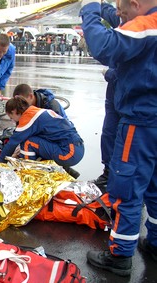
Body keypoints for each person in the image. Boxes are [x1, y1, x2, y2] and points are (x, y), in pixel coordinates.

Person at [80, 0, 157, 276]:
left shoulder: (147, 25)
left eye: (123, 11)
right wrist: (108, 11)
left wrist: (89, 10)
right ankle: (156, 243)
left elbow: (105, 46)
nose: (121, 17)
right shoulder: (149, 22)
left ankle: (120, 255)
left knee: (127, 188)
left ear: (136, 5)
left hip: (141, 120)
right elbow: (126, 25)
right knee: (155, 187)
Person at [0, 96, 84, 170]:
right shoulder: (35, 111)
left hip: (69, 152)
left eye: (11, 117)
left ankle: (28, 174)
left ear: (14, 111)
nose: (12, 121)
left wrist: (1, 162)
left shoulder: (28, 117)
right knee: (33, 142)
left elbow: (12, 143)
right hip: (75, 148)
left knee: (28, 143)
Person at [92, 1, 123, 192]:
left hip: (130, 100)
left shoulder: (143, 29)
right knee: (109, 134)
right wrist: (99, 4)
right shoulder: (125, 20)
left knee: (126, 139)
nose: (119, 12)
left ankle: (122, 179)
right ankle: (109, 171)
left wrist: (110, 73)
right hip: (113, 96)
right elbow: (113, 14)